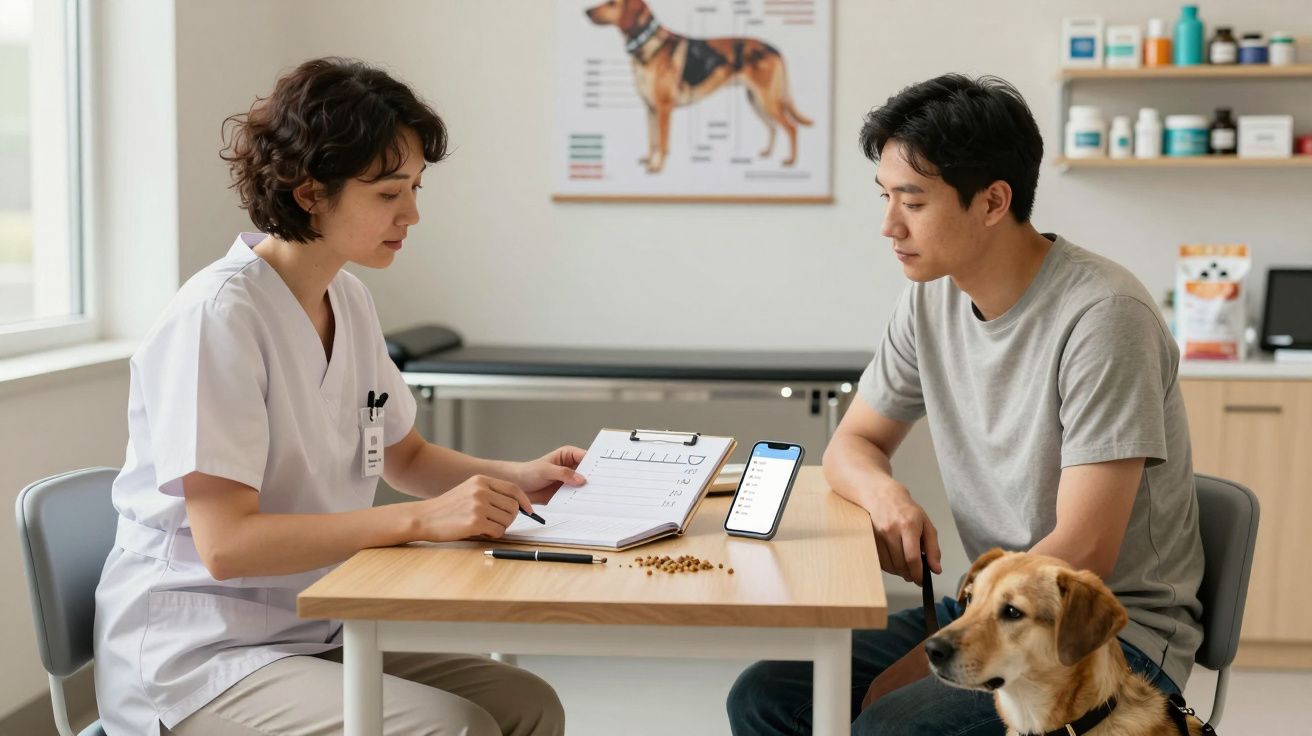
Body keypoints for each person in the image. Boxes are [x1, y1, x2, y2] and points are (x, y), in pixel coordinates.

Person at [94, 57, 572, 736]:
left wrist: (517, 477)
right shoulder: (218, 318)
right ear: (309, 191)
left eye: (414, 187)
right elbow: (227, 544)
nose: (412, 213)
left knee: (528, 704)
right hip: (200, 658)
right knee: (454, 727)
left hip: (310, 626)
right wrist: (419, 522)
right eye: (387, 193)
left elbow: (404, 454)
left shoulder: (345, 296)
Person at [726, 74, 1204, 735]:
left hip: (1099, 631)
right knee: (768, 695)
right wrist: (887, 498)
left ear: (992, 202)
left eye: (913, 201)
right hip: (993, 610)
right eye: (886, 196)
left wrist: (913, 676)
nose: (890, 225)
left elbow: (1083, 551)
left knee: (886, 724)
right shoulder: (932, 297)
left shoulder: (1104, 318)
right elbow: (852, 444)